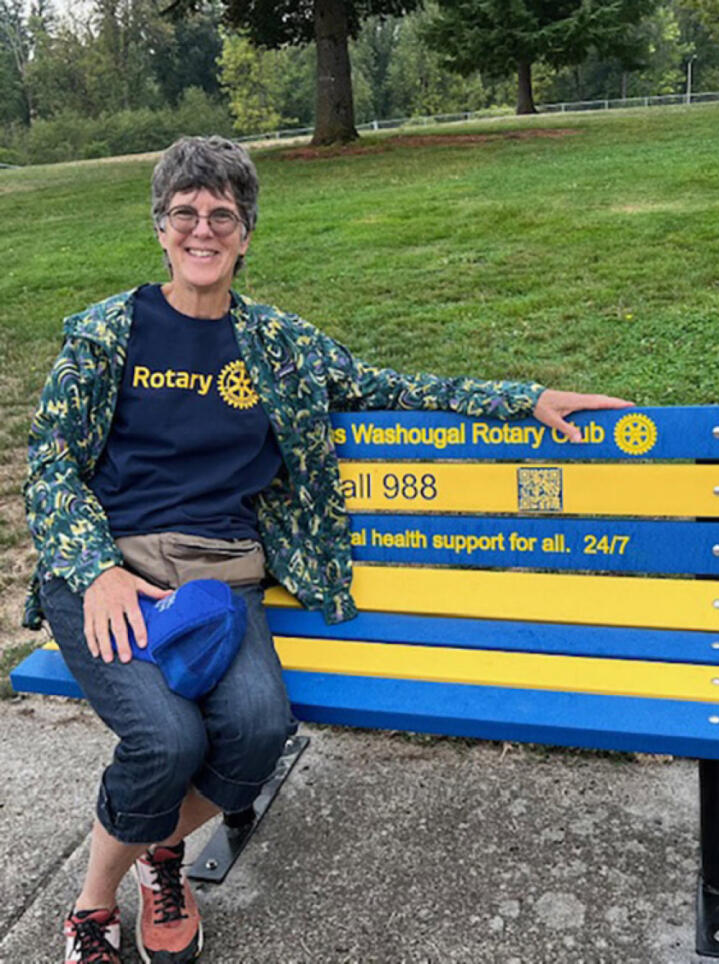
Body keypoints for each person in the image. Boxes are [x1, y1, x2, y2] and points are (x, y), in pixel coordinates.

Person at [23, 135, 631, 964]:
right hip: (113, 572)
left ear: (246, 233)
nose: (204, 230)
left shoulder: (279, 344)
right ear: (161, 229)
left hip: (219, 582)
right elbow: (50, 460)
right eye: (185, 214)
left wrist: (525, 398)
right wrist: (94, 571)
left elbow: (391, 387)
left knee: (259, 727)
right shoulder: (109, 333)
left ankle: (161, 855)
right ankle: (93, 909)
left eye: (223, 216)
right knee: (167, 741)